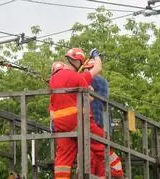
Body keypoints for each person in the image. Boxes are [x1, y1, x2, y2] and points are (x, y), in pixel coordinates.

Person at [49, 48, 105, 178]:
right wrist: (96, 55)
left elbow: (52, 110)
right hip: (80, 122)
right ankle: (117, 174)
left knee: (64, 158)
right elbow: (90, 97)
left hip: (61, 126)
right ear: (78, 62)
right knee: (100, 148)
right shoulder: (80, 77)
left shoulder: (53, 82)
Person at [83, 60, 124, 179]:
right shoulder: (103, 82)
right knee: (100, 159)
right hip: (105, 126)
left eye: (86, 69)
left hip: (96, 123)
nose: (85, 72)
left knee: (94, 157)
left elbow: (78, 81)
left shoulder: (94, 79)